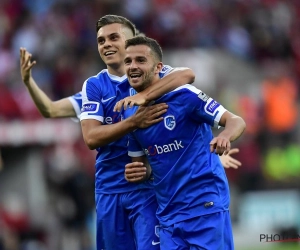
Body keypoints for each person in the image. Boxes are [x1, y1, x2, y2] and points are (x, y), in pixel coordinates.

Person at [19, 15, 241, 249]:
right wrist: (29, 83)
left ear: (131, 41)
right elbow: (61, 116)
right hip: (110, 187)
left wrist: (145, 96)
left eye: (114, 37)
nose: (106, 44)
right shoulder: (95, 87)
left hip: (147, 187)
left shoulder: (149, 75)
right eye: (101, 40)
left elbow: (187, 75)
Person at [121, 36, 246, 249]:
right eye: (128, 61)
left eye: (140, 60)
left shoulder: (185, 96)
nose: (133, 66)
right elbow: (144, 167)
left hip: (204, 205)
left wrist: (224, 136)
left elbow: (236, 121)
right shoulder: (130, 112)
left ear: (158, 67)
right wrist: (141, 173)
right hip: (168, 215)